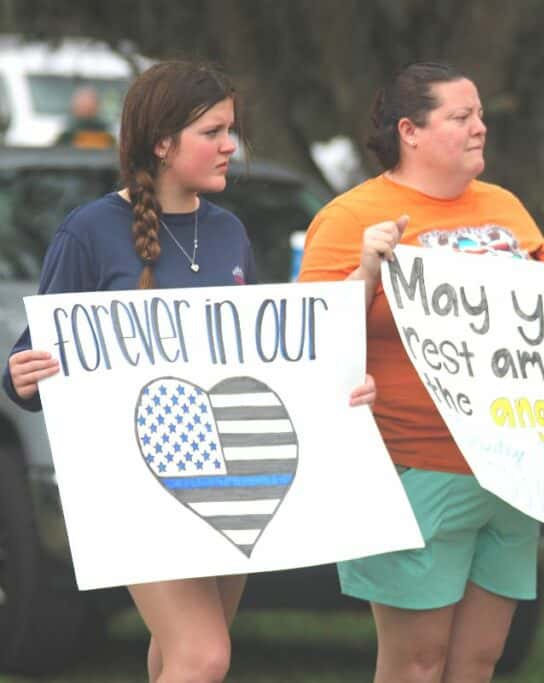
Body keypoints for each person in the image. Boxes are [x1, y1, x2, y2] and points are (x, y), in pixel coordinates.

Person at [298, 61, 544, 683]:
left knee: (478, 663)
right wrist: (366, 269)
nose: (480, 127)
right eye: (460, 116)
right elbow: (311, 342)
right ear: (409, 131)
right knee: (417, 665)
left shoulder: (504, 208)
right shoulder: (350, 217)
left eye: (480, 115)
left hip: (513, 467)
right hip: (414, 467)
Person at [3, 61, 376, 683]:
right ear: (162, 141)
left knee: (177, 658)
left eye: (231, 129)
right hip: (131, 482)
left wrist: (337, 385)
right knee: (203, 657)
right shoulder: (89, 231)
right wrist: (23, 375)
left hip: (233, 480)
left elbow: (267, 359)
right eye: (213, 131)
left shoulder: (229, 232)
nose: (231, 145)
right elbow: (29, 365)